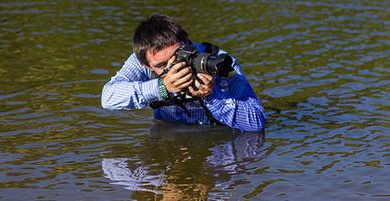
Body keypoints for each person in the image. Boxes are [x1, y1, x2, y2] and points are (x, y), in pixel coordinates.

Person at [101, 14, 266, 132]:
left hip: (215, 137)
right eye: (162, 65)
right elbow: (108, 98)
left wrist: (212, 96)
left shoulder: (218, 60)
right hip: (169, 133)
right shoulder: (143, 58)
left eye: (177, 56)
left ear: (188, 43)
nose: (174, 66)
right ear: (146, 65)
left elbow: (257, 123)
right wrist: (162, 87)